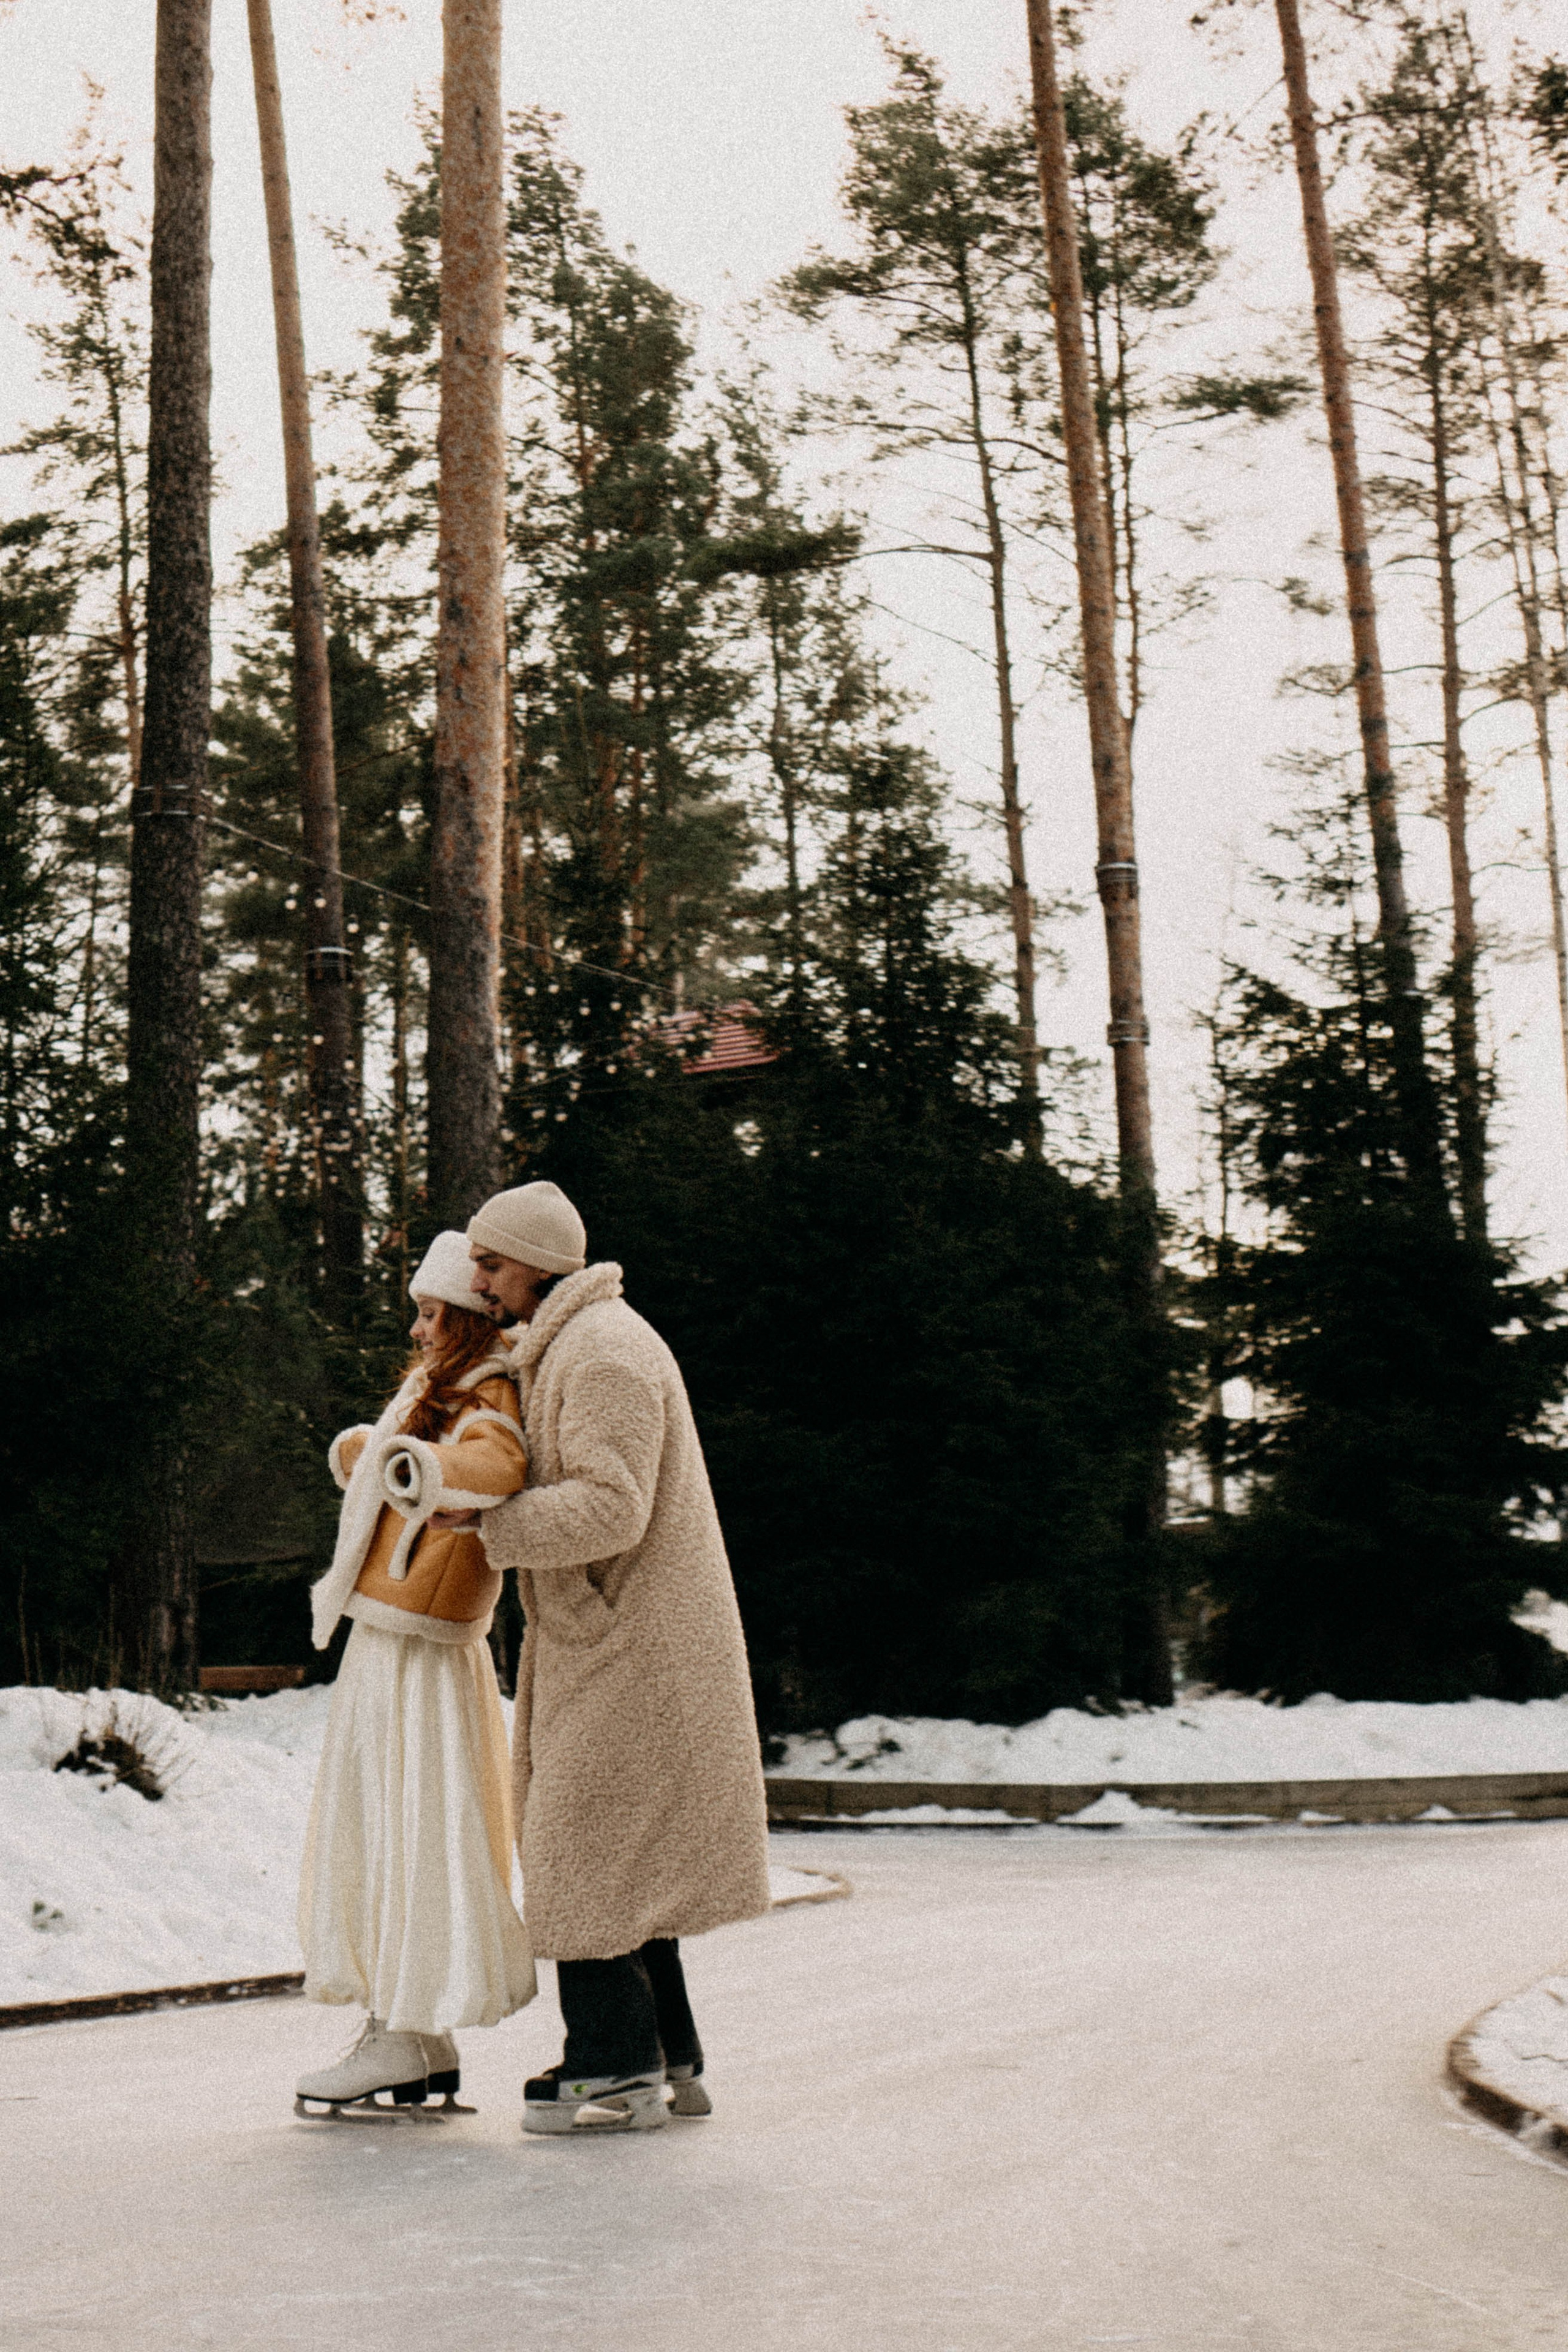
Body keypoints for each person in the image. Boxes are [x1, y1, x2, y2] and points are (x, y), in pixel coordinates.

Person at [463, 1179, 772, 2135]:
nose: (480, 1281)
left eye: (492, 1262)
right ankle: (668, 2052)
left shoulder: (602, 1353)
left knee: (579, 1848)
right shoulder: (579, 1344)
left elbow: (610, 1506)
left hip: (634, 1642)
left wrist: (485, 1521)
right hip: (620, 1639)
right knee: (627, 1858)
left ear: (540, 1265)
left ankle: (613, 2062)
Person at [293, 1231, 537, 2116]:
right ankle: (413, 2034)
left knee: (407, 1817)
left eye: (437, 1315)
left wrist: (419, 1464)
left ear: (472, 1322)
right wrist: (378, 1451)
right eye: (420, 1314)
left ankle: (402, 2031)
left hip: (420, 1644)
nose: (423, 1331)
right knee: (395, 1815)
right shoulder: (438, 1389)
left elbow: (496, 1463)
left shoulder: (489, 1388)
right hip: (400, 1632)